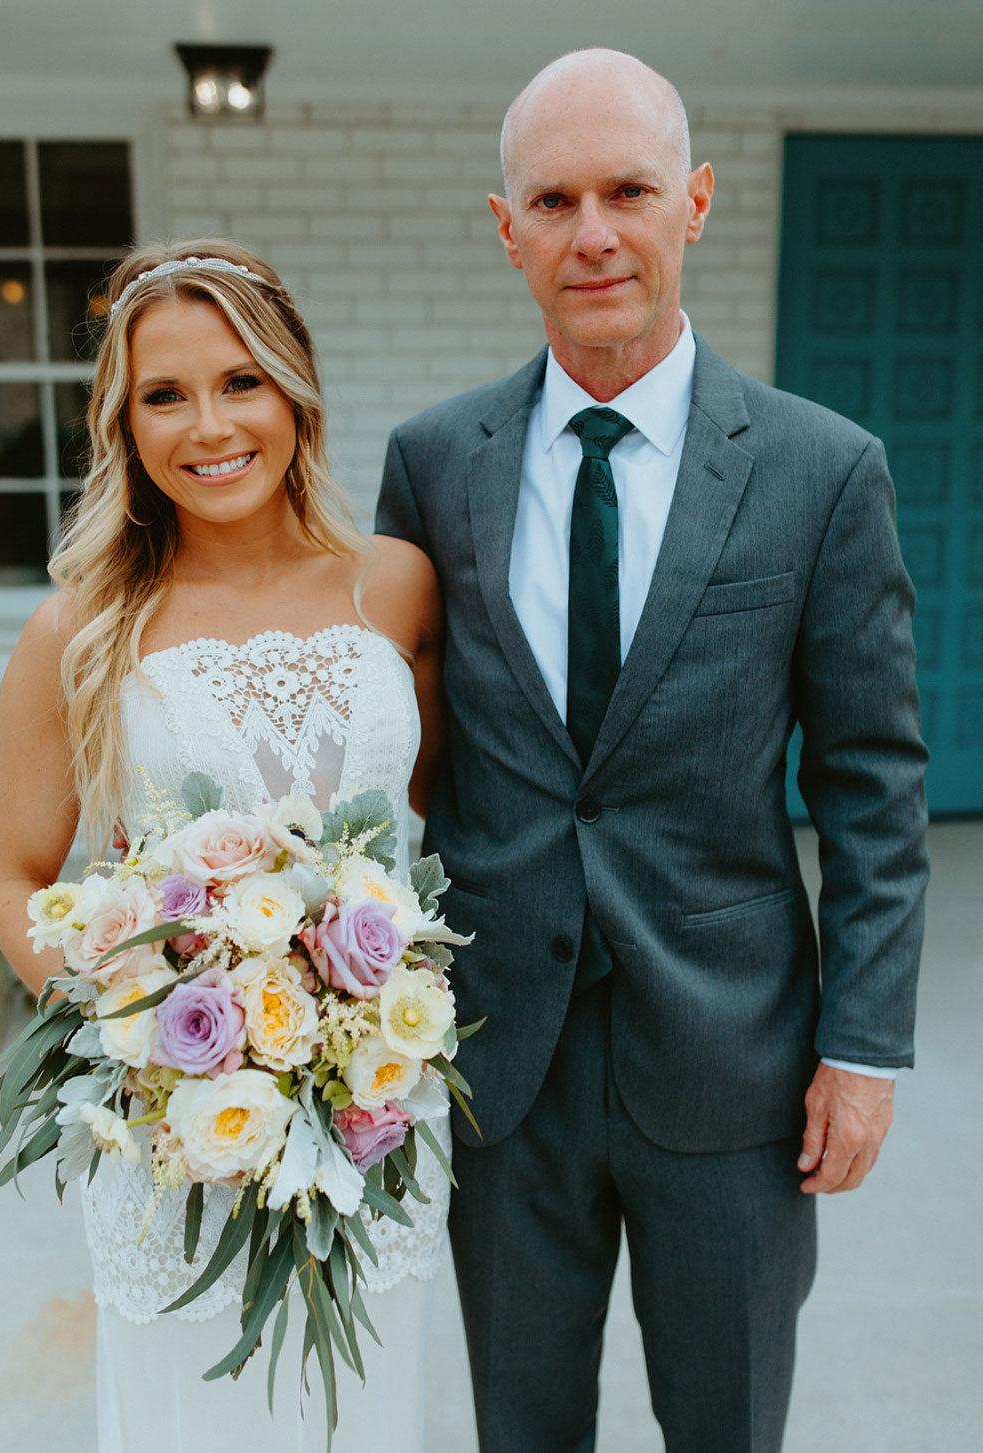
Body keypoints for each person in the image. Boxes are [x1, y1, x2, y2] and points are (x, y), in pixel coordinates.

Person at [376, 49, 929, 1453]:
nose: (594, 233)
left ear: (694, 204)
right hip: (504, 1069)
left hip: (734, 1064)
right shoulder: (434, 462)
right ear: (508, 230)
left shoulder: (821, 469)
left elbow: (873, 779)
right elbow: (401, 752)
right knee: (524, 1426)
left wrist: (862, 1048)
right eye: (553, 200)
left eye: (627, 190)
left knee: (728, 1426)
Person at [0, 239, 449, 1450]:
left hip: (369, 1115)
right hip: (176, 1135)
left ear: (295, 389)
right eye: (163, 395)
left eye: (240, 381)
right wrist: (146, 1052)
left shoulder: (394, 587)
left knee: (363, 1412)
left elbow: (446, 824)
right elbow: (13, 877)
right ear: (123, 423)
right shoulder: (78, 629)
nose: (209, 425)